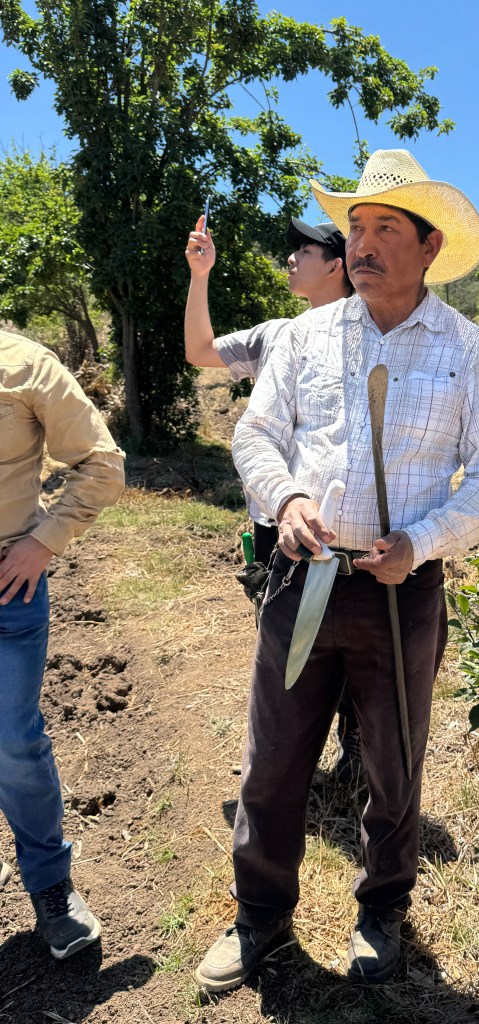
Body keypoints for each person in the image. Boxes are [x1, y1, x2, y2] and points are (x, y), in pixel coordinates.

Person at [194, 149, 479, 993]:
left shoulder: (469, 351)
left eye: (385, 229)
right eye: (356, 228)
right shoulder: (306, 336)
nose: (362, 244)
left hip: (399, 593)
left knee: (393, 764)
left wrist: (423, 541)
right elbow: (256, 436)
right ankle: (259, 916)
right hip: (301, 579)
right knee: (273, 759)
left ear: (429, 245)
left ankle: (382, 911)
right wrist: (287, 498)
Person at [184, 215, 362, 781]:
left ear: (336, 265)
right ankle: (287, 764)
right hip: (274, 522)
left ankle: (356, 749)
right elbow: (200, 350)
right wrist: (200, 274)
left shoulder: (369, 332)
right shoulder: (276, 334)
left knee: (351, 640)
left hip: (344, 527)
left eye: (304, 250)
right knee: (285, 640)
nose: (291, 258)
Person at [0, 329, 125, 958]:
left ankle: (50, 886)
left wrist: (44, 540)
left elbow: (103, 464)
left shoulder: (24, 366)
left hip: (7, 588)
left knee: (12, 742)